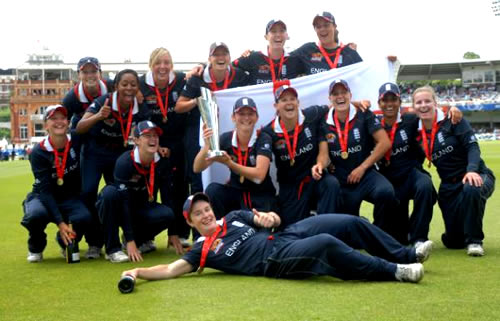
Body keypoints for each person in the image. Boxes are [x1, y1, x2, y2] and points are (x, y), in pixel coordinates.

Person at [121, 192, 434, 285]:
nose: (205, 214)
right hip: (274, 260)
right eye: (197, 213)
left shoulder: (232, 217)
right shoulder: (202, 252)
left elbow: (263, 219)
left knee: (349, 222)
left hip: (286, 234)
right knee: (326, 245)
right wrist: (137, 272)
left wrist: (269, 218)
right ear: (189, 221)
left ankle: (407, 254)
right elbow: (168, 270)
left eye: (206, 208)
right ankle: (394, 271)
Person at [412, 86, 495, 256]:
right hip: (448, 187)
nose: (423, 105)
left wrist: (471, 170)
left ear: (435, 103)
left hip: (478, 174)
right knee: (454, 242)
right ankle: (458, 235)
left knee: (471, 187)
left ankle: (475, 241)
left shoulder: (453, 120)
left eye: (427, 101)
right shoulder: (416, 132)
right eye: (418, 102)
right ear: (413, 107)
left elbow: (472, 147)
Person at [76, 69, 147, 259]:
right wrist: (99, 116)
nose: (129, 88)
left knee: (115, 195)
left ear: (138, 88)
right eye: (124, 84)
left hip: (119, 154)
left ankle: (116, 244)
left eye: (133, 84)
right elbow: (79, 127)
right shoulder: (104, 101)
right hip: (95, 152)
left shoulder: (140, 107)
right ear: (116, 86)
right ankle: (94, 242)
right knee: (88, 193)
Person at [318, 79, 397, 236]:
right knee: (349, 235)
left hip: (365, 174)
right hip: (341, 179)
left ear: (350, 95)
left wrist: (362, 168)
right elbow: (324, 154)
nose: (340, 97)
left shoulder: (363, 114)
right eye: (335, 94)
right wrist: (322, 164)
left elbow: (384, 142)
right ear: (330, 98)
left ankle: (378, 235)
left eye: (343, 93)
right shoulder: (323, 121)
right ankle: (362, 227)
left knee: (386, 192)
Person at [96, 121, 177, 262]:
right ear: (136, 140)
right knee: (109, 194)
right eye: (147, 136)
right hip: (120, 207)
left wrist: (173, 232)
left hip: (141, 208)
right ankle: (113, 249)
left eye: (155, 135)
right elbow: (124, 201)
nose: (153, 139)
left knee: (167, 214)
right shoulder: (125, 162)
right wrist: (130, 240)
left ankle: (141, 240)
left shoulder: (162, 161)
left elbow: (167, 195)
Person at [175, 42, 249, 196]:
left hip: (229, 130)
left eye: (224, 54)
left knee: (228, 168)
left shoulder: (240, 76)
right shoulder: (198, 78)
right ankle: (197, 209)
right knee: (198, 176)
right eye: (216, 55)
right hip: (201, 131)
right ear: (209, 58)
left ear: (229, 57)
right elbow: (179, 106)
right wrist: (197, 101)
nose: (221, 58)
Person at [261, 85, 340, 228]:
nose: (289, 103)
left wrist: (320, 165)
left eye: (292, 99)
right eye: (284, 100)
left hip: (315, 177)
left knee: (331, 184)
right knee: (292, 230)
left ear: (298, 102)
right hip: (291, 186)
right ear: (276, 106)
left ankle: (328, 232)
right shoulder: (268, 132)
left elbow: (336, 105)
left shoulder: (311, 115)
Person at [21, 105, 91, 262]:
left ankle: (63, 242)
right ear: (46, 124)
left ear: (68, 122)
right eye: (54, 118)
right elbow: (45, 191)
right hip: (43, 196)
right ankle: (36, 247)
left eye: (63, 118)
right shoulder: (38, 152)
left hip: (69, 198)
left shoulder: (76, 140)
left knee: (84, 217)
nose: (59, 122)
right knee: (35, 216)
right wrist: (60, 222)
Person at [139, 48, 190, 252]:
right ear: (151, 64)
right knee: (149, 189)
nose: (163, 67)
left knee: (179, 189)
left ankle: (180, 234)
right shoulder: (141, 84)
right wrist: (155, 146)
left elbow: (200, 76)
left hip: (177, 142)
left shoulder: (180, 79)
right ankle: (145, 237)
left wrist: (197, 69)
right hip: (151, 142)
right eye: (158, 63)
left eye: (167, 62)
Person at [193, 97, 277, 218]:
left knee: (260, 234)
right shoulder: (226, 139)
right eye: (241, 114)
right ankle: (218, 231)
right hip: (236, 193)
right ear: (233, 117)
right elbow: (197, 167)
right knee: (213, 190)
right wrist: (207, 146)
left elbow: (259, 175)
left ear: (257, 117)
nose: (246, 118)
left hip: (260, 194)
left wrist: (230, 164)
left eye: (250, 114)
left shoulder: (263, 138)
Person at [375, 83, 437, 246]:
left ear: (399, 101)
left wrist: (452, 110)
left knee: (425, 186)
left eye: (393, 99)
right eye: (385, 100)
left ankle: (419, 238)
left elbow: (431, 115)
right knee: (397, 239)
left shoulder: (410, 120)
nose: (389, 104)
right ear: (379, 103)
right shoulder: (373, 125)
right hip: (387, 179)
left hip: (410, 174)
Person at [290, 12, 363, 75]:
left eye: (326, 25)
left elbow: (365, 78)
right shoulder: (307, 50)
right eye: (318, 27)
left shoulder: (349, 53)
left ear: (334, 26)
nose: (322, 29)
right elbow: (283, 62)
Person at [232, 19, 302, 85]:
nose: (278, 35)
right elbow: (229, 68)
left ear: (286, 36)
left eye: (282, 31)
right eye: (273, 31)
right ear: (266, 37)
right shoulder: (253, 57)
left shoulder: (294, 60)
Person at [62, 57, 113, 129]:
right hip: (84, 131)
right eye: (85, 72)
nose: (90, 76)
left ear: (100, 73)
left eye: (94, 71)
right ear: (78, 75)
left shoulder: (112, 87)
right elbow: (62, 123)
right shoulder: (71, 98)